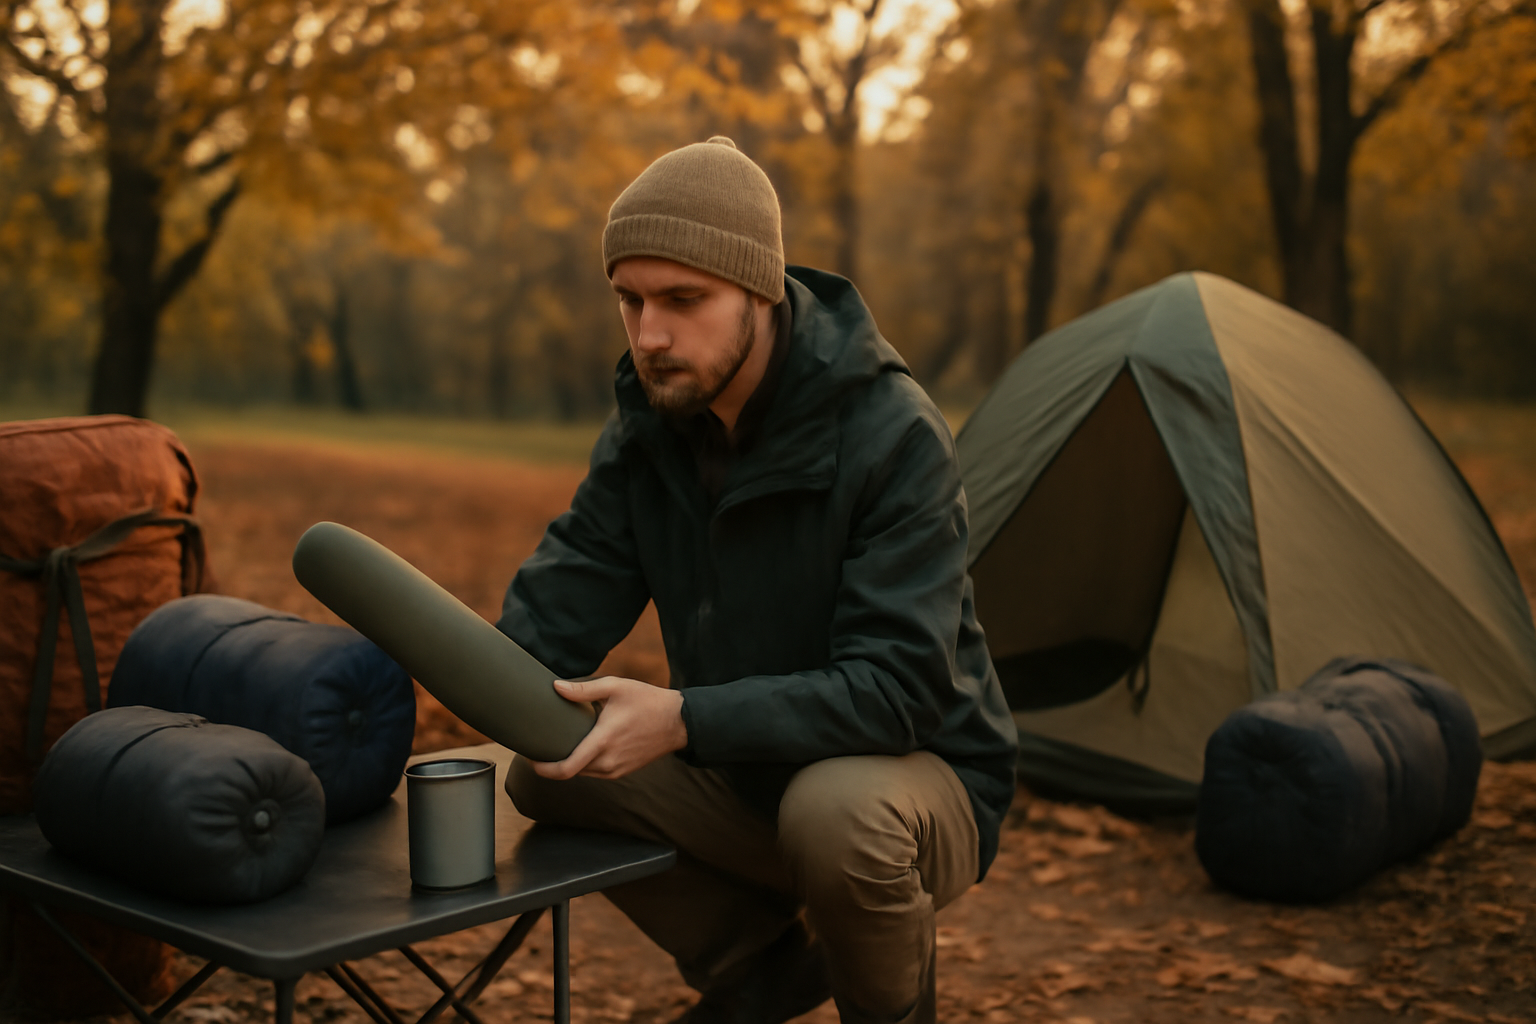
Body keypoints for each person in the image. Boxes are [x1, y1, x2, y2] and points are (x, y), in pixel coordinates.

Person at [497, 136, 1017, 1024]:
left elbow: (897, 694)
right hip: (744, 776)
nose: (649, 333)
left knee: (835, 813)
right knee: (549, 768)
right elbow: (548, 621)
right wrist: (405, 673)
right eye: (629, 299)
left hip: (913, 786)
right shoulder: (650, 428)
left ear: (761, 290)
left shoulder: (893, 436)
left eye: (682, 300)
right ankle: (761, 968)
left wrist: (686, 719)